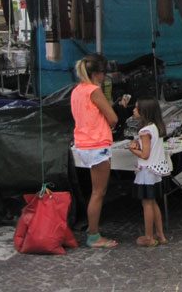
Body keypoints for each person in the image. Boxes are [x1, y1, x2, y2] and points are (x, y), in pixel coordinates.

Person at [70, 52, 119, 248]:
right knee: (98, 192)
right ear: (99, 73)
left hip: (82, 143)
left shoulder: (76, 91)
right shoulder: (94, 91)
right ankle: (93, 235)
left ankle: (93, 232)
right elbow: (113, 117)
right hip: (97, 144)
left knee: (96, 191)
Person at [127, 98, 169, 247]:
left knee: (147, 204)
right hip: (155, 171)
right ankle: (160, 234)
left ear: (144, 112)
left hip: (146, 172)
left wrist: (133, 149)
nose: (134, 110)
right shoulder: (156, 127)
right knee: (153, 202)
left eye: (137, 108)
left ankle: (149, 236)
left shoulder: (144, 131)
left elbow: (145, 155)